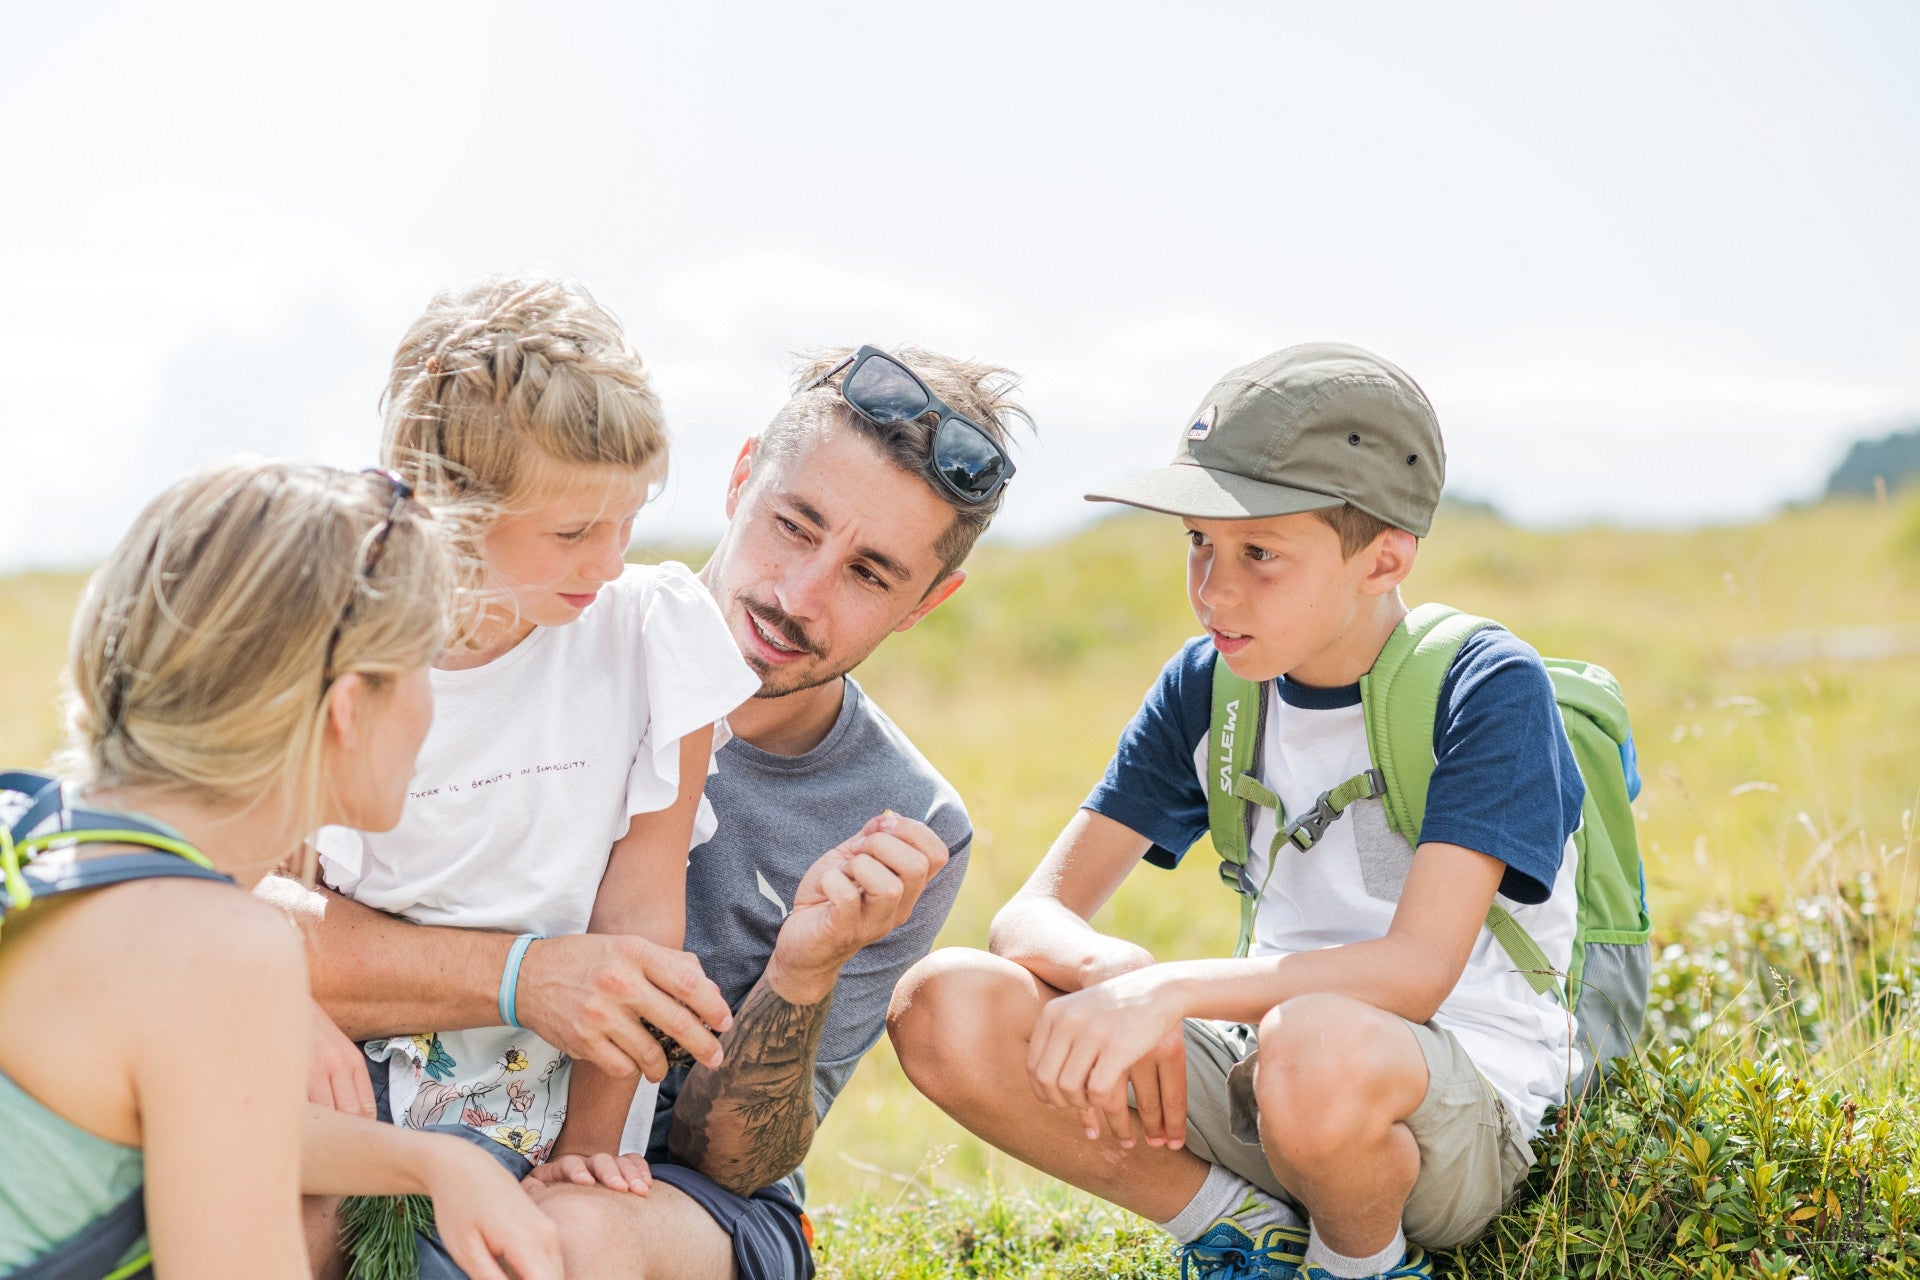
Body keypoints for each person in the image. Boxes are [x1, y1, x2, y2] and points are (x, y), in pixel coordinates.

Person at [294, 342, 1030, 1279]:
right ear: (739, 478)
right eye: (795, 526)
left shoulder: (908, 823)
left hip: (664, 1196)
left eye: (870, 573)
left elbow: (738, 1161)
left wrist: (802, 974)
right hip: (413, 1109)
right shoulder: (549, 631)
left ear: (928, 601)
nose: (798, 595)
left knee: (565, 1241)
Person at [889, 343, 1586, 1280]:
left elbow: (1417, 974)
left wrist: (1171, 994)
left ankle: (1359, 1266)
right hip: (1275, 1075)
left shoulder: (1485, 684)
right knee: (946, 1003)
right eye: (1198, 544)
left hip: (1453, 1109)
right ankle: (1244, 1233)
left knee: (1314, 1042)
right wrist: (1114, 970)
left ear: (1385, 557)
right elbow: (1031, 916)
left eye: (1260, 553)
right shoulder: (1209, 686)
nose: (1215, 591)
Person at [293, 276, 760, 1273]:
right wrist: (289, 1013)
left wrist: (590, 1144)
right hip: (332, 1083)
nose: (608, 560)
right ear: (446, 506)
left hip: (538, 1106)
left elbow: (639, 915)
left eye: (627, 519)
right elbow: (266, 892)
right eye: (571, 532)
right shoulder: (334, 644)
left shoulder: (650, 633)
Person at [0, 458, 559, 1280]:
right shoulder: (218, 947)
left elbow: (201, 1114)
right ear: (347, 708)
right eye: (422, 666)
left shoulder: (39, 833)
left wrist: (437, 1162)